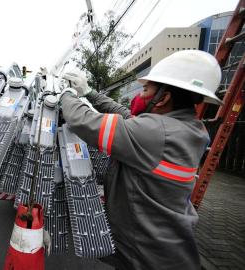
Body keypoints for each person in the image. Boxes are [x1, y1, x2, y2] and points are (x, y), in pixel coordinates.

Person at [59, 50, 222, 270]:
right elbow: (128, 117)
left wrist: (66, 94)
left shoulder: (157, 133)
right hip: (168, 247)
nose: (140, 95)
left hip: (147, 256)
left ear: (163, 98)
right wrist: (89, 92)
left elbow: (83, 121)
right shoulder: (188, 128)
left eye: (145, 89)